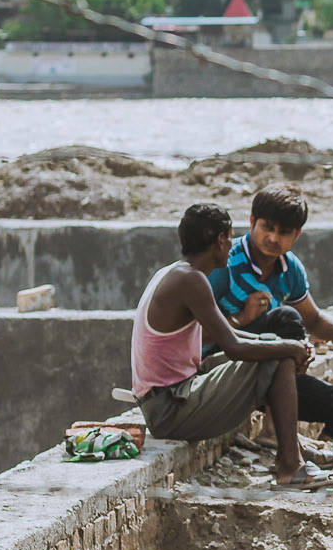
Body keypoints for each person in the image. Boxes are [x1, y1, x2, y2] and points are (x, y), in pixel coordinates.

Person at [130, 201, 318, 486]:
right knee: (278, 356)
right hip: (168, 409)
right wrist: (290, 349)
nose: (232, 245)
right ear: (219, 239)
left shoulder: (177, 273)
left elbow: (234, 338)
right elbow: (234, 347)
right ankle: (290, 466)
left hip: (169, 398)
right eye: (230, 238)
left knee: (274, 348)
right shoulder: (191, 281)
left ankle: (290, 455)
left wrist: (286, 345)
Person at [209, 182, 333, 441]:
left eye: (284, 232)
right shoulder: (226, 260)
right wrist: (241, 319)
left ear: (297, 235)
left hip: (267, 375)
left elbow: (313, 320)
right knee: (286, 318)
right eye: (267, 227)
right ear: (252, 221)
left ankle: (310, 459)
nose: (273, 238)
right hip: (222, 365)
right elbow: (195, 327)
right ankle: (272, 433)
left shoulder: (291, 270)